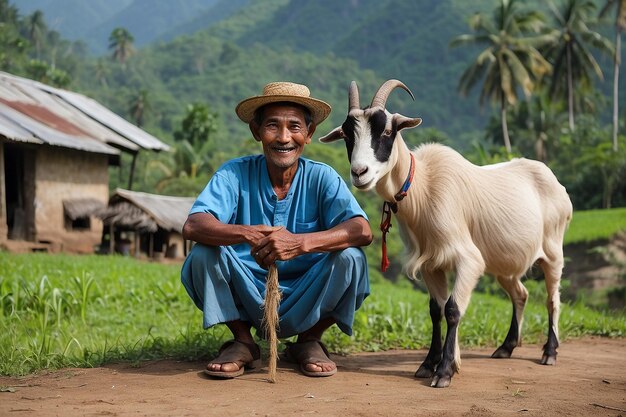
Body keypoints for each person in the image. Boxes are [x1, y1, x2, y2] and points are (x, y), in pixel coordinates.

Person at [180, 81, 372, 378]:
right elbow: (194, 224)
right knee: (203, 254)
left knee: (352, 259)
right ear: (256, 132)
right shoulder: (234, 173)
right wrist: (249, 233)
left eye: (295, 127)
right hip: (247, 292)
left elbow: (362, 230)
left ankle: (309, 339)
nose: (284, 137)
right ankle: (243, 340)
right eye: (272, 126)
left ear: (308, 135)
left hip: (306, 293)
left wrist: (301, 243)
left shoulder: (322, 178)